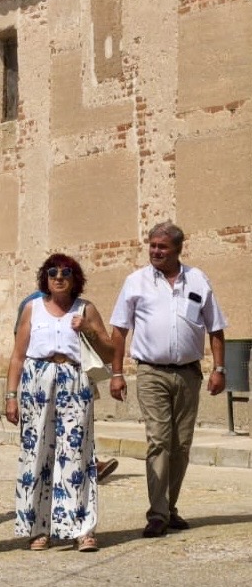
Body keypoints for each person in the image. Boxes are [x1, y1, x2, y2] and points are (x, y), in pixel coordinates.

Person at [108, 221, 227, 538]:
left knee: (181, 444)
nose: (155, 251)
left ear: (178, 249)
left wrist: (219, 368)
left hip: (189, 373)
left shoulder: (198, 279)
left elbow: (215, 328)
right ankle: (158, 513)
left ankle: (169, 507)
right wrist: (117, 374)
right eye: (152, 245)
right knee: (159, 440)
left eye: (162, 247)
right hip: (151, 371)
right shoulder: (136, 282)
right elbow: (119, 331)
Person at [4, 253, 113, 552]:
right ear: (46, 278)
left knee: (77, 453)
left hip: (74, 380)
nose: (59, 277)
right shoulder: (32, 308)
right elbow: (17, 355)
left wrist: (88, 330)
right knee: (37, 452)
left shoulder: (86, 309)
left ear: (75, 278)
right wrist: (11, 396)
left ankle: (82, 529)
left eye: (66, 272)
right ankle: (39, 529)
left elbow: (110, 350)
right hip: (37, 380)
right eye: (53, 272)